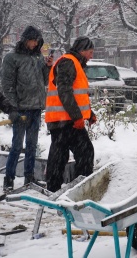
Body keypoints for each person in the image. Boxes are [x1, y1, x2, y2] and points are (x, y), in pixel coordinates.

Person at [1, 25, 53, 191]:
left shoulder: (38, 57)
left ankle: (29, 178)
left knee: (32, 145)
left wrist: (48, 67)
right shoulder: (12, 58)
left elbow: (44, 81)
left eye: (37, 41)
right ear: (25, 40)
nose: (35, 44)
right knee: (17, 146)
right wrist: (12, 108)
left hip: (36, 108)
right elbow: (7, 85)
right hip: (21, 109)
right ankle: (9, 179)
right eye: (32, 40)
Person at [45, 36, 96, 192]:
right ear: (82, 50)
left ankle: (57, 188)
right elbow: (64, 92)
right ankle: (79, 189)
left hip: (65, 120)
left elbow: (76, 94)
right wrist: (77, 117)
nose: (91, 56)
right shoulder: (68, 62)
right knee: (83, 152)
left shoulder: (72, 63)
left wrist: (89, 114)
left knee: (62, 155)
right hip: (65, 120)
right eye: (90, 52)